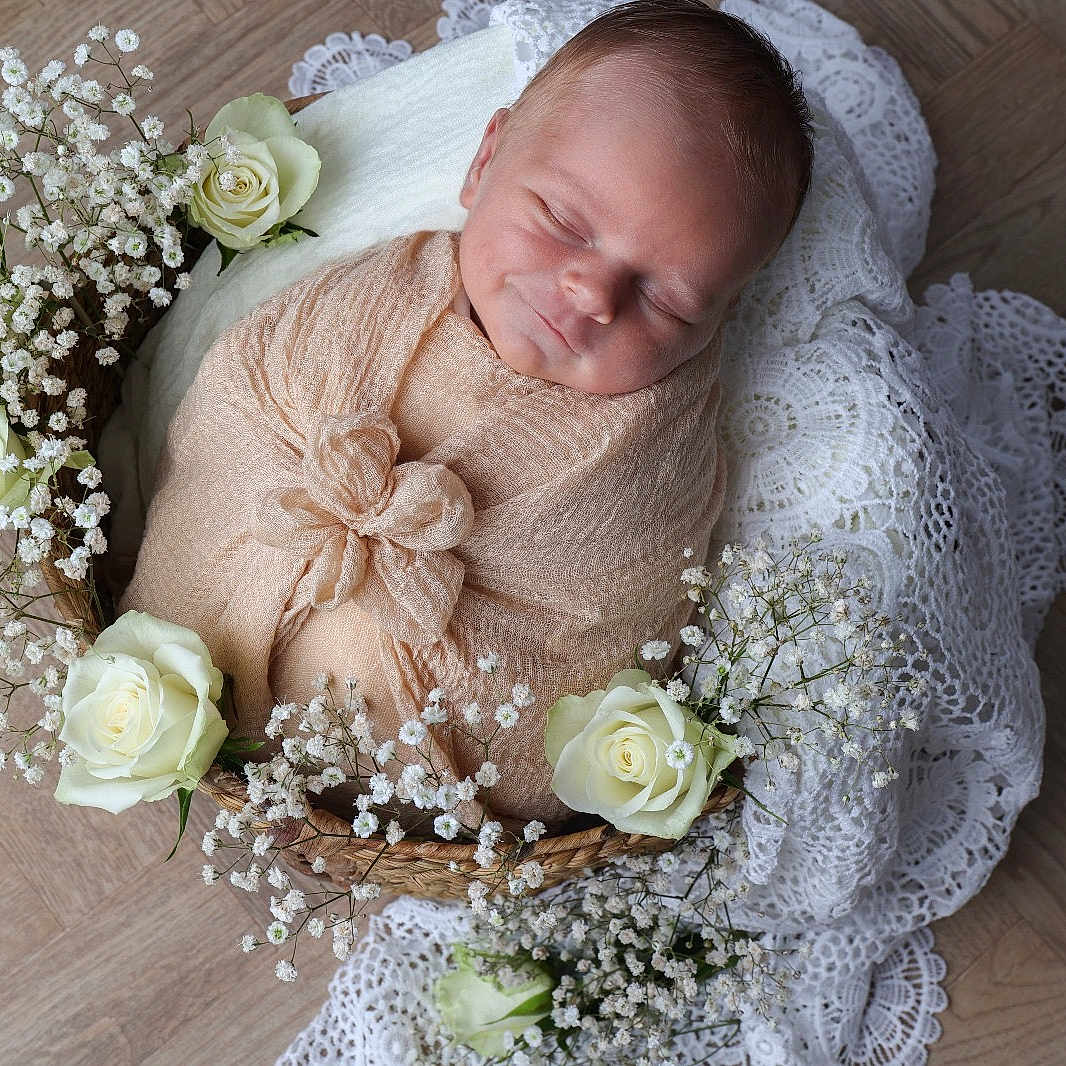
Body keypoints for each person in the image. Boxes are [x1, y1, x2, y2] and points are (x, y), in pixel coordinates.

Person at [118, 0, 814, 825]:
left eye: (668, 299)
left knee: (371, 666)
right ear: (485, 161)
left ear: (719, 323)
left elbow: (602, 614)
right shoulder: (378, 294)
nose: (591, 293)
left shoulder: (652, 447)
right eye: (561, 220)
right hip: (242, 586)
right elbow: (246, 393)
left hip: (439, 743)